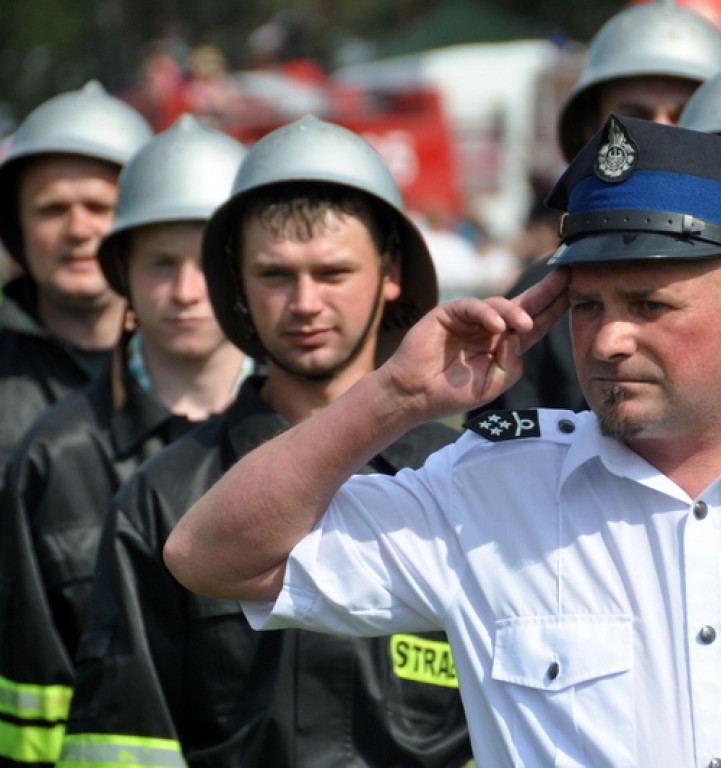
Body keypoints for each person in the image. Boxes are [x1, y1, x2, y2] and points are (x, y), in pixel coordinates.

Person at [166, 115, 721, 766]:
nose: (608, 341)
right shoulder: (488, 494)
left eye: (650, 306)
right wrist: (393, 394)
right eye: (585, 307)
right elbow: (213, 556)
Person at [56, 115, 472, 768]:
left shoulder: (465, 482)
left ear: (391, 272)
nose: (304, 303)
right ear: (239, 286)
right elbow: (124, 743)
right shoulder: (164, 501)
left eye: (333, 272)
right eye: (276, 275)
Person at [0, 115, 250, 767]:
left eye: (206, 264)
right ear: (124, 273)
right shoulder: (54, 456)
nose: (187, 292)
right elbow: (34, 700)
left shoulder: (321, 443)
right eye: (160, 264)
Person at [480, 0, 721, 415]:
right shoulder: (542, 298)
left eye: (687, 114)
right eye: (637, 117)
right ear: (590, 130)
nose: (662, 135)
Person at [0, 81, 153, 469]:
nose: (78, 230)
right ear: (17, 227)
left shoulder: (221, 373)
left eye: (99, 207)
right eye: (52, 209)